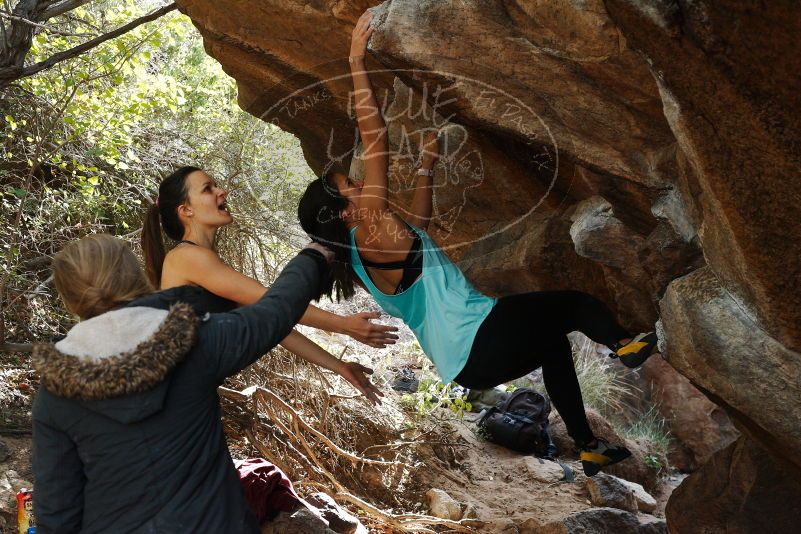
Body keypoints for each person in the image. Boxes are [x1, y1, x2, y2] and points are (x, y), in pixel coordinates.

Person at [297, 10, 659, 476]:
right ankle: (624, 345)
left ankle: (589, 447)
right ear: (344, 211)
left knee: (553, 346)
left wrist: (427, 167)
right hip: (478, 338)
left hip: (467, 363)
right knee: (573, 302)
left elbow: (421, 227)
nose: (359, 181)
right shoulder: (369, 227)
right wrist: (355, 58)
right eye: (350, 185)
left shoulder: (368, 257)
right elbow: (377, 135)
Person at [31, 233, 333, 532]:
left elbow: (57, 512)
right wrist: (312, 257)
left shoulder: (56, 388)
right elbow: (274, 313)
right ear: (134, 276)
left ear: (70, 299)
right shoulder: (194, 340)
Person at [141, 166, 389, 404]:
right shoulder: (186, 257)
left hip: (187, 395)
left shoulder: (203, 262)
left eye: (216, 185)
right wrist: (344, 325)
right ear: (186, 211)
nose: (221, 191)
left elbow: (276, 322)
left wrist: (338, 366)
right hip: (174, 397)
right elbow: (276, 303)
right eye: (208, 189)